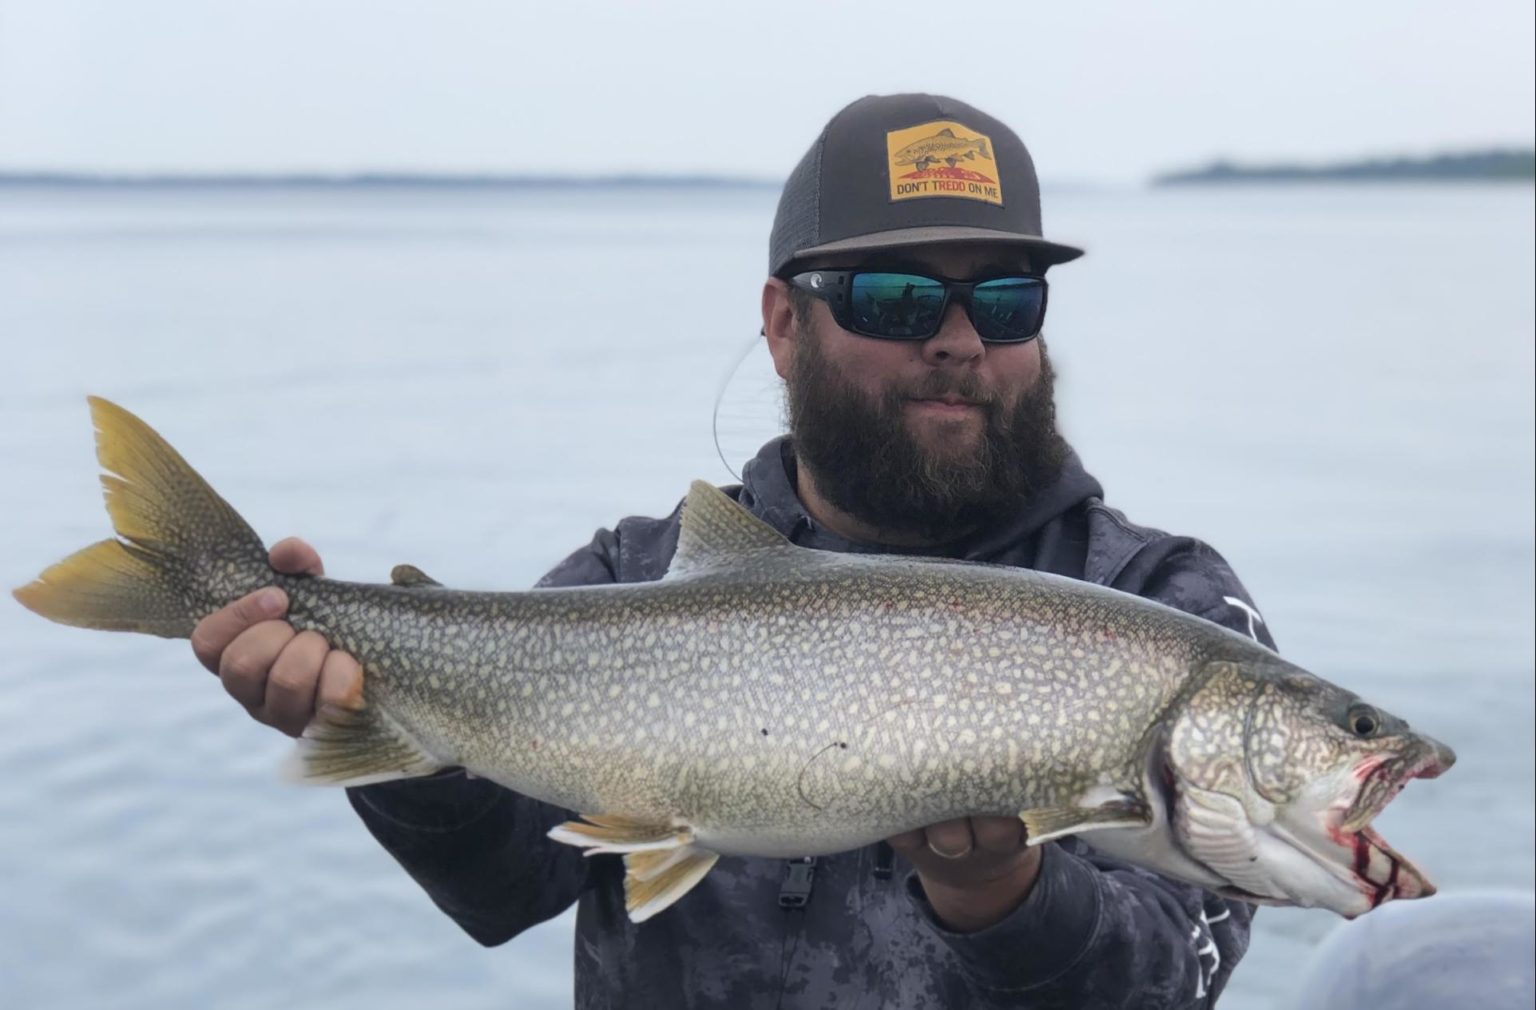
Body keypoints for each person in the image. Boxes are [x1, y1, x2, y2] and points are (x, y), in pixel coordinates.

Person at [190, 94, 1277, 1008]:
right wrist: (368, 718)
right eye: (896, 296)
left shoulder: (1157, 601)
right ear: (781, 322)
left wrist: (1005, 895)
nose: (958, 339)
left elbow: (1176, 973)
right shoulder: (637, 578)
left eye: (1004, 297)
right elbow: (501, 883)